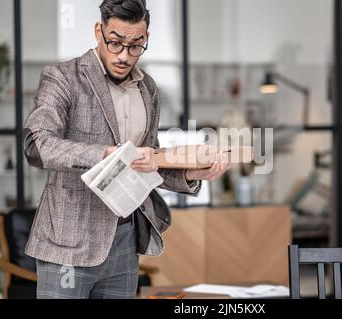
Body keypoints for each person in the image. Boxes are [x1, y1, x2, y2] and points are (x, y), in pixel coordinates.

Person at [23, 0, 229, 299]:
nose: (124, 55)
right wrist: (107, 154)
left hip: (125, 239)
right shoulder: (63, 77)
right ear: (98, 31)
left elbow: (147, 161)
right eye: (115, 43)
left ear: (145, 39)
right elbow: (37, 144)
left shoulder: (148, 90)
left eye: (135, 46)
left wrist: (190, 173)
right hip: (69, 243)